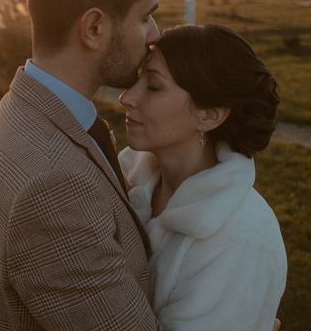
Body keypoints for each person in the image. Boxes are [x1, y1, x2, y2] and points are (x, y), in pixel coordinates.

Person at [0, 0, 163, 330]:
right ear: (94, 28)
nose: (155, 34)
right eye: (146, 16)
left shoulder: (21, 110)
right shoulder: (54, 189)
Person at [118, 24, 287, 331]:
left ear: (209, 115)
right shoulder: (123, 178)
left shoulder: (241, 241)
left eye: (153, 87)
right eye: (137, 79)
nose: (126, 97)